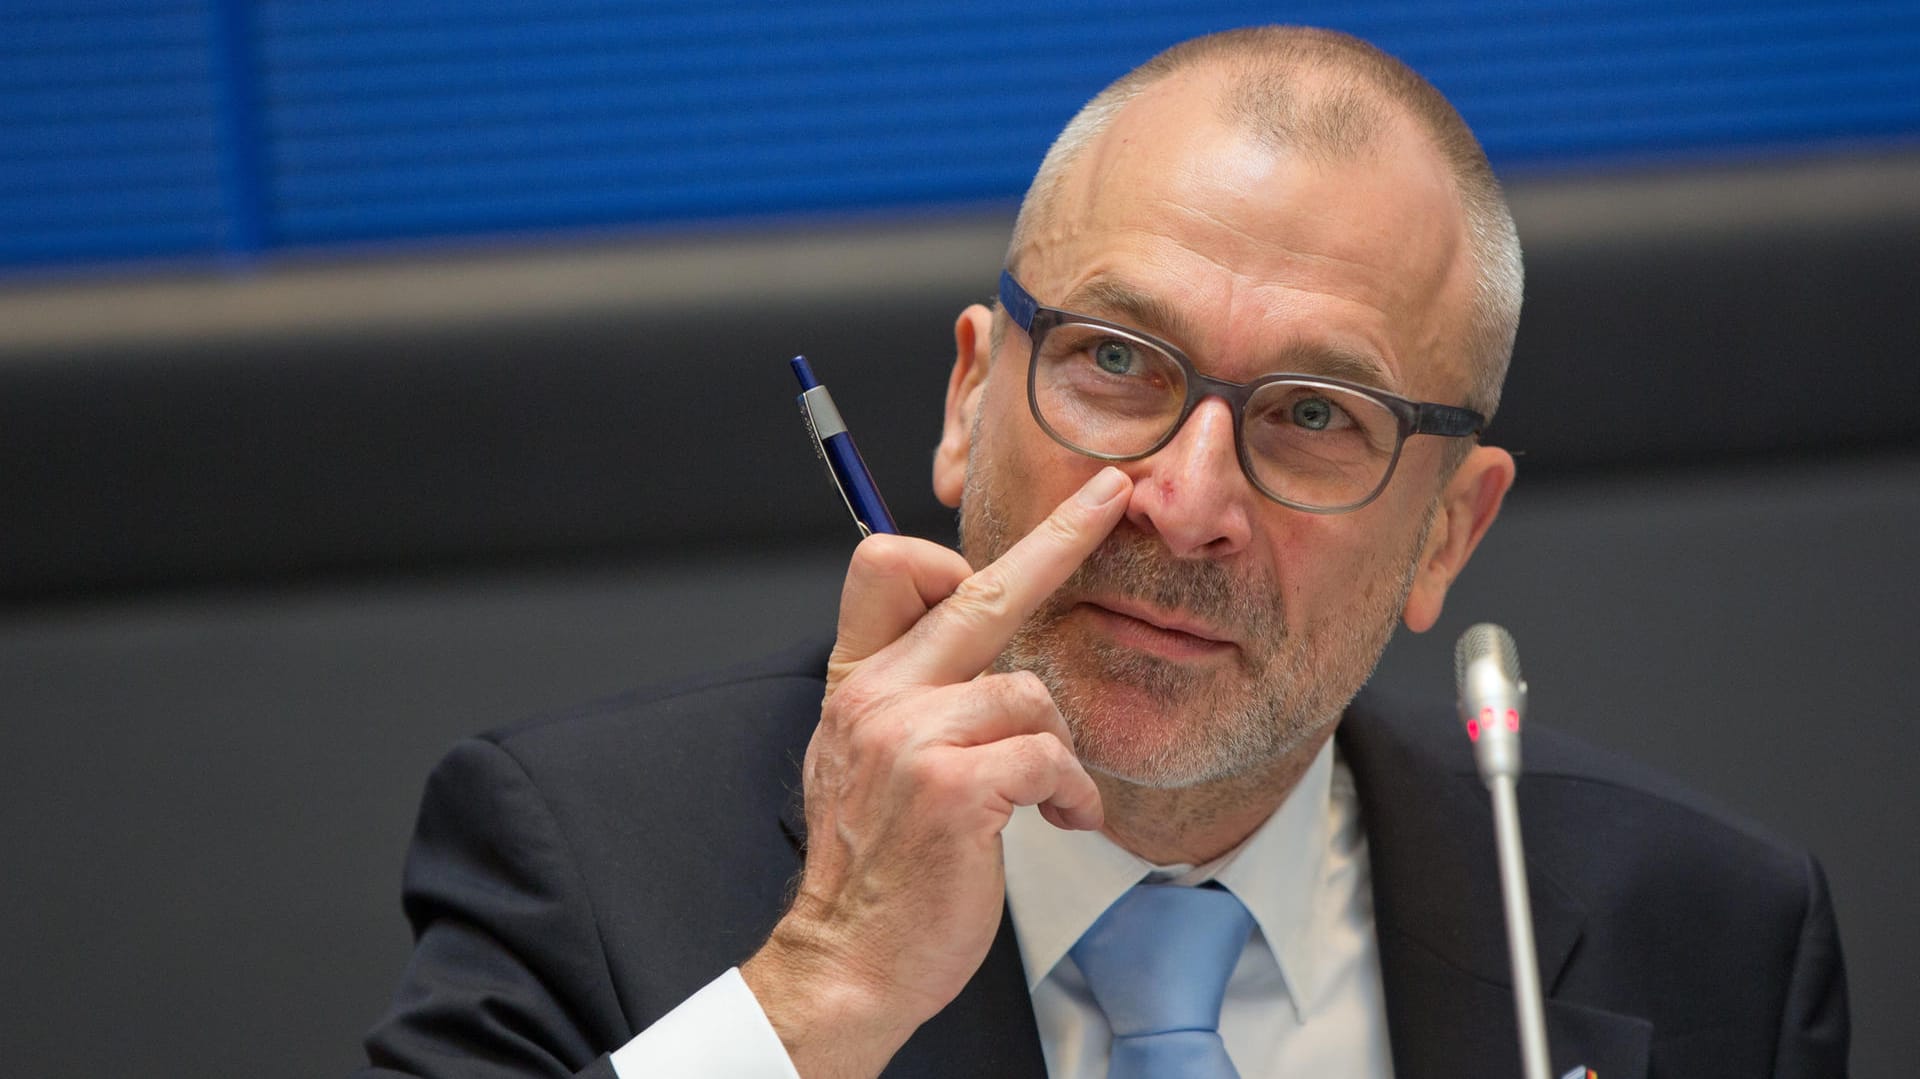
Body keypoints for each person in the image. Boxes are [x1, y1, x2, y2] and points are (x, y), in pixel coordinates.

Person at [359, 26, 1847, 1079]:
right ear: (966, 403)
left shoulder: (1699, 933)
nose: (1186, 501)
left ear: (1443, 532)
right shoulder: (587, 866)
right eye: (1120, 365)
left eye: (1316, 415)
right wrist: (821, 993)